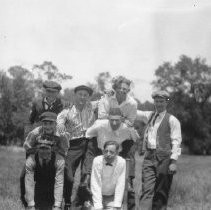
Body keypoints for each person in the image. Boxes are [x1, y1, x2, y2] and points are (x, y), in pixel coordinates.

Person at [136, 90, 182, 210]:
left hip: (165, 158)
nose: (159, 104)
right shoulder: (150, 115)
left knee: (161, 191)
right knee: (147, 188)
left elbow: (176, 142)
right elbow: (134, 112)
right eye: (156, 101)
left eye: (161, 101)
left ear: (167, 102)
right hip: (149, 156)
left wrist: (173, 162)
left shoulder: (172, 120)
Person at [56, 85, 96, 210]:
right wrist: (61, 126)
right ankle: (67, 201)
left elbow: (105, 101)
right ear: (75, 95)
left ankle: (84, 202)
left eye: (85, 95)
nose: (82, 97)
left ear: (88, 97)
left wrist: (109, 94)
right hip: (73, 144)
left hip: (89, 142)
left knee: (87, 173)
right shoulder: (67, 111)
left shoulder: (91, 106)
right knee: (69, 174)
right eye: (80, 94)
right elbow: (59, 121)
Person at [23, 112, 67, 210]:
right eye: (45, 123)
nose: (48, 126)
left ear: (55, 124)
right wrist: (37, 150)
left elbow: (65, 150)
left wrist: (54, 150)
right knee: (23, 175)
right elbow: (27, 146)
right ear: (41, 123)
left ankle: (64, 202)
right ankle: (27, 202)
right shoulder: (35, 132)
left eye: (51, 123)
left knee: (68, 177)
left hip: (55, 156)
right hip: (36, 154)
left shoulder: (60, 134)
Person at [91, 141, 126, 210]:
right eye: (106, 151)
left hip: (111, 197)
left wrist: (117, 205)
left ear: (117, 153)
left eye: (111, 152)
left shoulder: (121, 162)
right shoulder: (97, 161)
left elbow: (120, 184)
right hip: (96, 196)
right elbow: (95, 183)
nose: (108, 154)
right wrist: (98, 206)